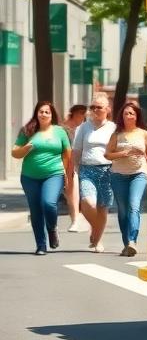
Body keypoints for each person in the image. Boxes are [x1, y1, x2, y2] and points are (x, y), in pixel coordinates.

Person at [10, 101, 73, 255]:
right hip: (29, 177)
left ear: (52, 115)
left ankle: (52, 228)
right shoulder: (28, 131)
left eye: (47, 112)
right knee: (36, 211)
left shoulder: (60, 131)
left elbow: (67, 154)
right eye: (41, 111)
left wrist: (67, 174)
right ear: (36, 113)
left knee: (48, 203)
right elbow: (15, 153)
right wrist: (27, 147)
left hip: (54, 174)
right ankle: (41, 245)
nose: (43, 114)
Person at [105, 101, 147, 257]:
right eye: (126, 113)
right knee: (123, 211)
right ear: (122, 116)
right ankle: (126, 243)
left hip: (138, 174)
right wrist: (123, 153)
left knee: (134, 206)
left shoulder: (143, 133)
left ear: (136, 116)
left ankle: (132, 241)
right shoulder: (116, 135)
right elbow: (107, 154)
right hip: (118, 176)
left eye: (131, 113)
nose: (128, 116)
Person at [72, 93, 116, 253]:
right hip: (87, 169)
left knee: (103, 207)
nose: (95, 110)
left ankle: (97, 240)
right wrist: (74, 170)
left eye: (99, 107)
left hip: (107, 170)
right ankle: (96, 229)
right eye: (93, 107)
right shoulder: (83, 128)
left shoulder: (113, 128)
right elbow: (76, 151)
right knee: (88, 203)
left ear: (107, 110)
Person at [62, 104, 88, 232]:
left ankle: (79, 219)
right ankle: (75, 220)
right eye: (82, 114)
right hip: (67, 164)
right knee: (71, 192)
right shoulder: (63, 129)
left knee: (80, 193)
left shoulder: (84, 128)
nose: (84, 117)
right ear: (75, 114)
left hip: (83, 163)